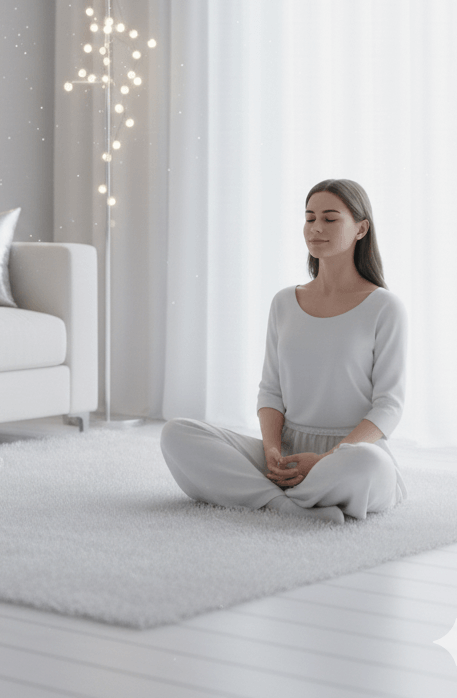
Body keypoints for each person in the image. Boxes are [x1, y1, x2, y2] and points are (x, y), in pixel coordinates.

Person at [161, 179, 407, 525]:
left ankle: (269, 496)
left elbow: (389, 406)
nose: (316, 227)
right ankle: (285, 505)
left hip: (351, 454)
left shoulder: (385, 307)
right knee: (176, 434)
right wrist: (272, 451)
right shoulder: (285, 302)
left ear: (361, 229)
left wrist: (325, 461)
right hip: (289, 453)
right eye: (309, 218)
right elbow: (271, 391)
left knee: (368, 465)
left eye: (330, 218)